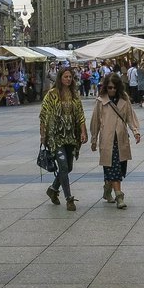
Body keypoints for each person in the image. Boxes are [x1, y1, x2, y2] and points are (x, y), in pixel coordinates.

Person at [39, 67, 88, 211]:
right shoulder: (51, 95)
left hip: (71, 136)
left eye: (70, 77)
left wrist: (83, 132)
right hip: (56, 136)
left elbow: (80, 114)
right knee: (64, 166)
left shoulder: (74, 94)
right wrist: (43, 135)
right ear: (60, 78)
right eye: (66, 76)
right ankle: (69, 198)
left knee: (69, 167)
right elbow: (43, 115)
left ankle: (53, 189)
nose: (68, 79)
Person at [90, 73, 141, 209]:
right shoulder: (101, 101)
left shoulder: (125, 100)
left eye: (114, 88)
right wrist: (93, 139)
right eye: (109, 88)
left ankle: (107, 190)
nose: (111, 90)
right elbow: (95, 121)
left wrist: (135, 131)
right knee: (113, 168)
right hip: (107, 140)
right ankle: (119, 196)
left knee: (118, 168)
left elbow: (130, 117)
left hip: (121, 139)